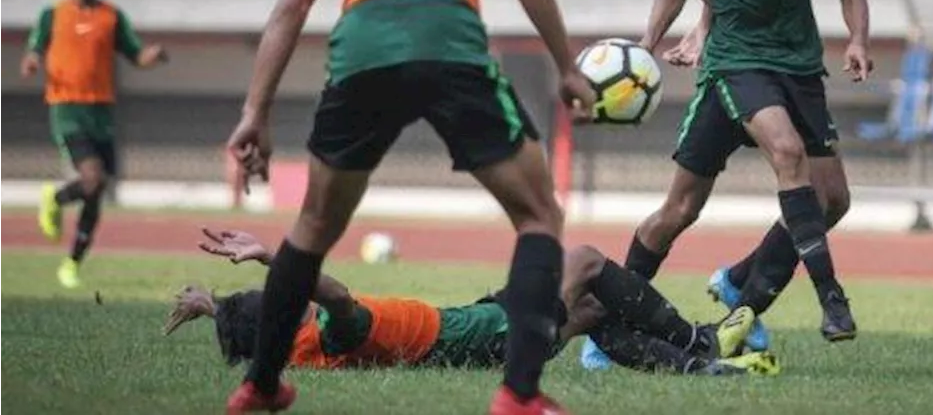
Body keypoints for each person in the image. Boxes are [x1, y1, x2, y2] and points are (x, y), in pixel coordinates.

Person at [220, 0, 596, 415]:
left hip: (360, 55)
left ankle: (258, 386)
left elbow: (294, 2)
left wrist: (254, 111)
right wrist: (565, 65)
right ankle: (520, 396)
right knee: (539, 217)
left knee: (312, 228)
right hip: (450, 48)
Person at [583, 0, 843, 370]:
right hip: (735, 72)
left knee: (830, 198)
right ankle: (612, 322)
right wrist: (700, 28)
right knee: (683, 207)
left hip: (788, 71)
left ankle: (738, 291)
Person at [635, 0, 871, 349]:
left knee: (690, 208)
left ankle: (742, 295)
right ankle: (832, 300)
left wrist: (857, 39)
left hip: (801, 71)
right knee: (786, 156)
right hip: (735, 66)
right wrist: (649, 43)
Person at [165, 228, 780, 378]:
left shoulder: (298, 348)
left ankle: (707, 372)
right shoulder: (332, 334)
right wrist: (277, 256)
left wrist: (214, 306)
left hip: (481, 319)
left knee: (592, 311)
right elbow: (335, 292)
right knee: (586, 261)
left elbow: (263, 322)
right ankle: (701, 341)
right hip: (491, 336)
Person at [21, 0, 168, 289]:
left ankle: (71, 263)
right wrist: (30, 62)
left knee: (97, 188)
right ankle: (54, 199)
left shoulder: (110, 16)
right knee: (92, 176)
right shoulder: (52, 15)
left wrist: (153, 55)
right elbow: (35, 49)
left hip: (101, 112)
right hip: (68, 108)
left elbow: (136, 55)